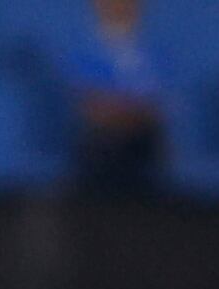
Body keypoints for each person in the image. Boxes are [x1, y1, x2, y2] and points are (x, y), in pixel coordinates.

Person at [62, 0, 168, 197]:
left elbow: (155, 106)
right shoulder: (83, 51)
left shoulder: (151, 53)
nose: (119, 7)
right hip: (100, 151)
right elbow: (90, 105)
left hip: (142, 150)